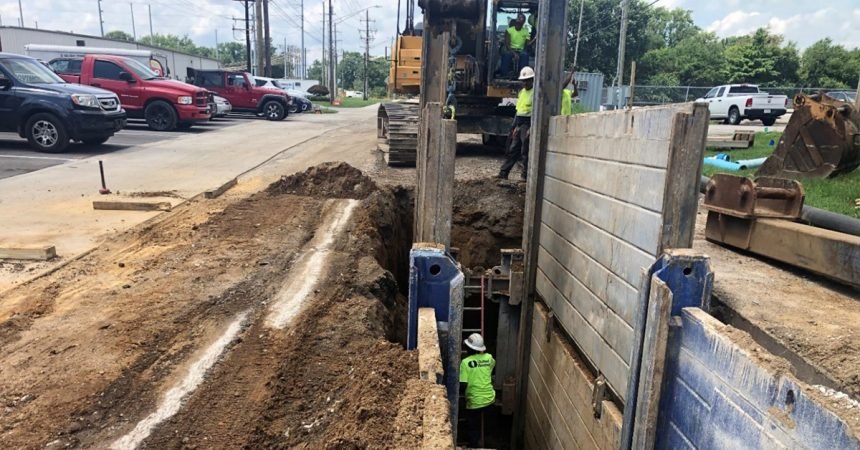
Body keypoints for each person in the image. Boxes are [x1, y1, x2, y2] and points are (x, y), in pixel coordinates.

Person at [498, 66, 535, 180]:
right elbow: (518, 111)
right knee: (513, 149)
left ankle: (525, 176)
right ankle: (503, 173)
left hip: (527, 123)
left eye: (526, 80)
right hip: (519, 123)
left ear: (532, 80)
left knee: (525, 150)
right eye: (523, 81)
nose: (524, 83)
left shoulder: (536, 93)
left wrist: (531, 128)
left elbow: (535, 112)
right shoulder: (522, 92)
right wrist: (514, 127)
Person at [459, 333, 496, 448]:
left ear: (468, 348)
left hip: (474, 402)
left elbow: (463, 384)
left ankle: (474, 446)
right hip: (490, 400)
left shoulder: (465, 363)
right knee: (488, 427)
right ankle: (487, 443)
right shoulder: (489, 358)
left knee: (473, 427)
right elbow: (491, 370)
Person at [500, 13, 530, 78]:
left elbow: (527, 45)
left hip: (521, 50)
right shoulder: (509, 30)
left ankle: (522, 75)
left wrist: (535, 39)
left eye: (522, 19)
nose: (520, 20)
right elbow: (507, 44)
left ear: (524, 22)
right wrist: (514, 53)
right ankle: (504, 75)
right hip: (511, 49)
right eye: (519, 18)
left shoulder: (526, 31)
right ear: (516, 20)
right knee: (506, 55)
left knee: (525, 55)